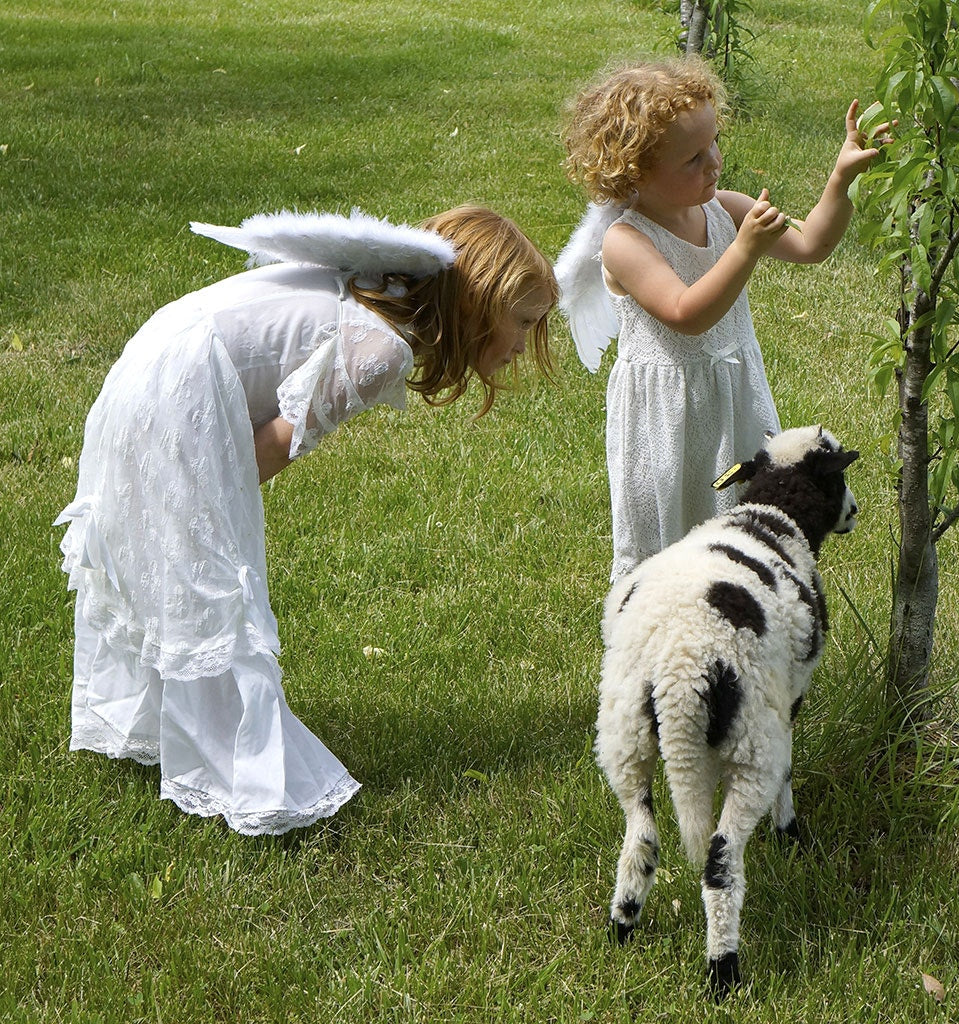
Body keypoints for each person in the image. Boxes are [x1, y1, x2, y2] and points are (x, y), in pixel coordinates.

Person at [55, 204, 557, 835]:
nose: (523, 345)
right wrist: (210, 502)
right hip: (180, 385)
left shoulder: (375, 290)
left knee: (176, 562)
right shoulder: (381, 348)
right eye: (523, 323)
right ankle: (248, 779)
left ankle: (166, 725)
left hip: (157, 354)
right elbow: (267, 448)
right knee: (213, 579)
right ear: (477, 306)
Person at [559, 57, 890, 580]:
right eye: (692, 159)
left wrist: (841, 177)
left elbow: (812, 245)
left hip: (734, 397)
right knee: (674, 542)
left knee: (744, 529)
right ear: (635, 174)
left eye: (714, 143)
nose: (712, 162)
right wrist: (745, 251)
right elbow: (686, 314)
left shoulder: (725, 209)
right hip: (670, 417)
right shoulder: (626, 241)